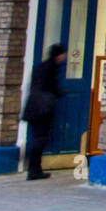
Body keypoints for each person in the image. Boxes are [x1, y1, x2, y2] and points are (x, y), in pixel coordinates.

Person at [22, 43, 66, 180]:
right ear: (58, 55)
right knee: (41, 139)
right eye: (63, 54)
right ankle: (34, 169)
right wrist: (61, 93)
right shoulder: (52, 68)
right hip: (42, 110)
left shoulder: (40, 67)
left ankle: (34, 168)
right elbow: (51, 88)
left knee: (37, 139)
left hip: (32, 108)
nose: (64, 57)